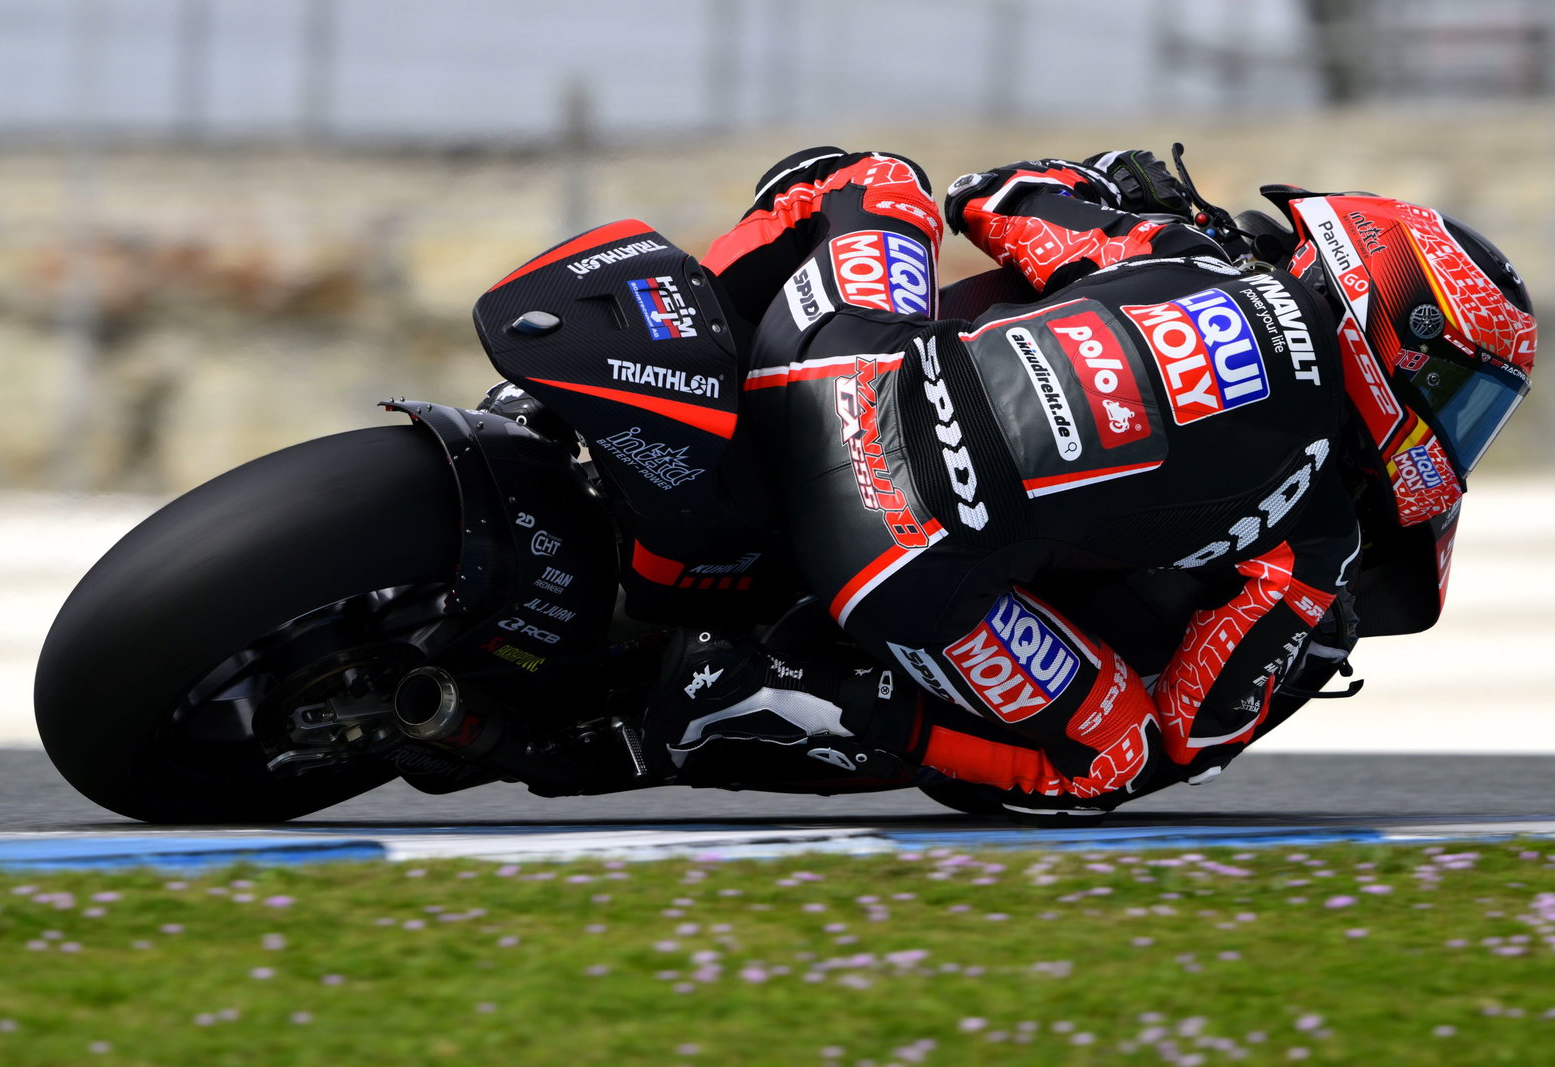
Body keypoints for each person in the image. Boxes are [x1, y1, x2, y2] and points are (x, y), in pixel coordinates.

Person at [624, 145, 1536, 821]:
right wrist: (1301, 647)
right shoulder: (1321, 535)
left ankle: (672, 347)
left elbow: (989, 195)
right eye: (1462, 395)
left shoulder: (1182, 248)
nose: (1455, 434)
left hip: (835, 370)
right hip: (895, 557)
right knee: (1109, 755)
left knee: (862, 180)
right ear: (1400, 324)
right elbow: (1194, 727)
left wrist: (1107, 178)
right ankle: (773, 690)